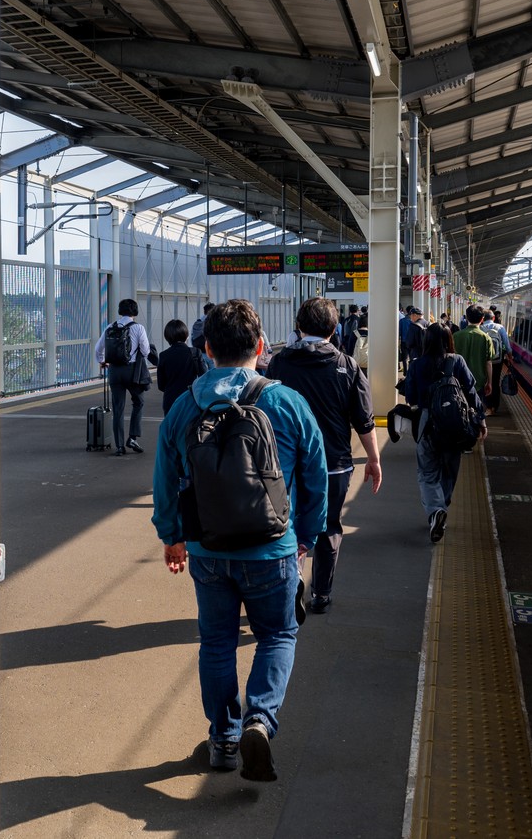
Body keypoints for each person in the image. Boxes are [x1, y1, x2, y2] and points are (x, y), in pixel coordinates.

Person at [152, 299, 327, 782]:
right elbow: (315, 476)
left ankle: (224, 739)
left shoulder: (186, 405)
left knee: (216, 642)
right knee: (277, 634)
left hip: (207, 551)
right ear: (261, 346)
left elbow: (166, 480)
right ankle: (259, 719)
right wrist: (306, 536)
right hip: (274, 549)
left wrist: (172, 537)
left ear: (206, 348)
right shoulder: (287, 402)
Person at [268, 297, 382, 614]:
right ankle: (321, 594)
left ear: (299, 327)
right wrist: (373, 459)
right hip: (334, 464)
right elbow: (364, 420)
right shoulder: (348, 367)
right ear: (334, 328)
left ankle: (292, 582)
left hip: (286, 463)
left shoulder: (280, 363)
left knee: (287, 524)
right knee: (329, 526)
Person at [403, 323, 486, 542]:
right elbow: (470, 392)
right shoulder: (457, 361)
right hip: (455, 424)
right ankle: (441, 508)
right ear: (450, 340)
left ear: (425, 340)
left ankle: (436, 511)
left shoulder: (417, 364)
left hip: (427, 423)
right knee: (449, 471)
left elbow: (410, 397)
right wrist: (481, 420)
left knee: (428, 472)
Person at [94, 298, 152, 457]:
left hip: (114, 371)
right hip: (132, 371)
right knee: (138, 402)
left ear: (120, 311)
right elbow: (146, 352)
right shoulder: (138, 328)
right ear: (135, 311)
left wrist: (102, 361)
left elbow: (98, 349)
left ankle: (119, 446)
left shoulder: (110, 327)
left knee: (118, 409)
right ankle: (132, 438)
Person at [156, 318, 206, 415]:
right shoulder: (195, 353)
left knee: (171, 428)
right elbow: (204, 375)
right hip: (190, 399)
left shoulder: (163, 355)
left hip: (170, 400)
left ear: (167, 337)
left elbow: (161, 385)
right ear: (186, 335)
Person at [453, 304, 495, 400]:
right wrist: (489, 383)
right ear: (482, 319)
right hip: (478, 382)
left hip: (458, 380)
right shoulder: (486, 338)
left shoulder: (456, 336)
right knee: (476, 409)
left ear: (467, 318)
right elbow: (488, 363)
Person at [480, 308, 512, 414]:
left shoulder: (480, 328)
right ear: (493, 318)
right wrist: (510, 357)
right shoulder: (500, 328)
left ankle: (488, 406)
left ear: (483, 318)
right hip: (498, 360)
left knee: (486, 382)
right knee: (495, 382)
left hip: (484, 360)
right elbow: (507, 345)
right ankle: (494, 406)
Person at [190, 302, 215, 370]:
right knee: (213, 375)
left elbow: (192, 337)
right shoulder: (214, 321)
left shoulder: (198, 321)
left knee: (203, 375)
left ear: (204, 311)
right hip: (211, 354)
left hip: (200, 353)